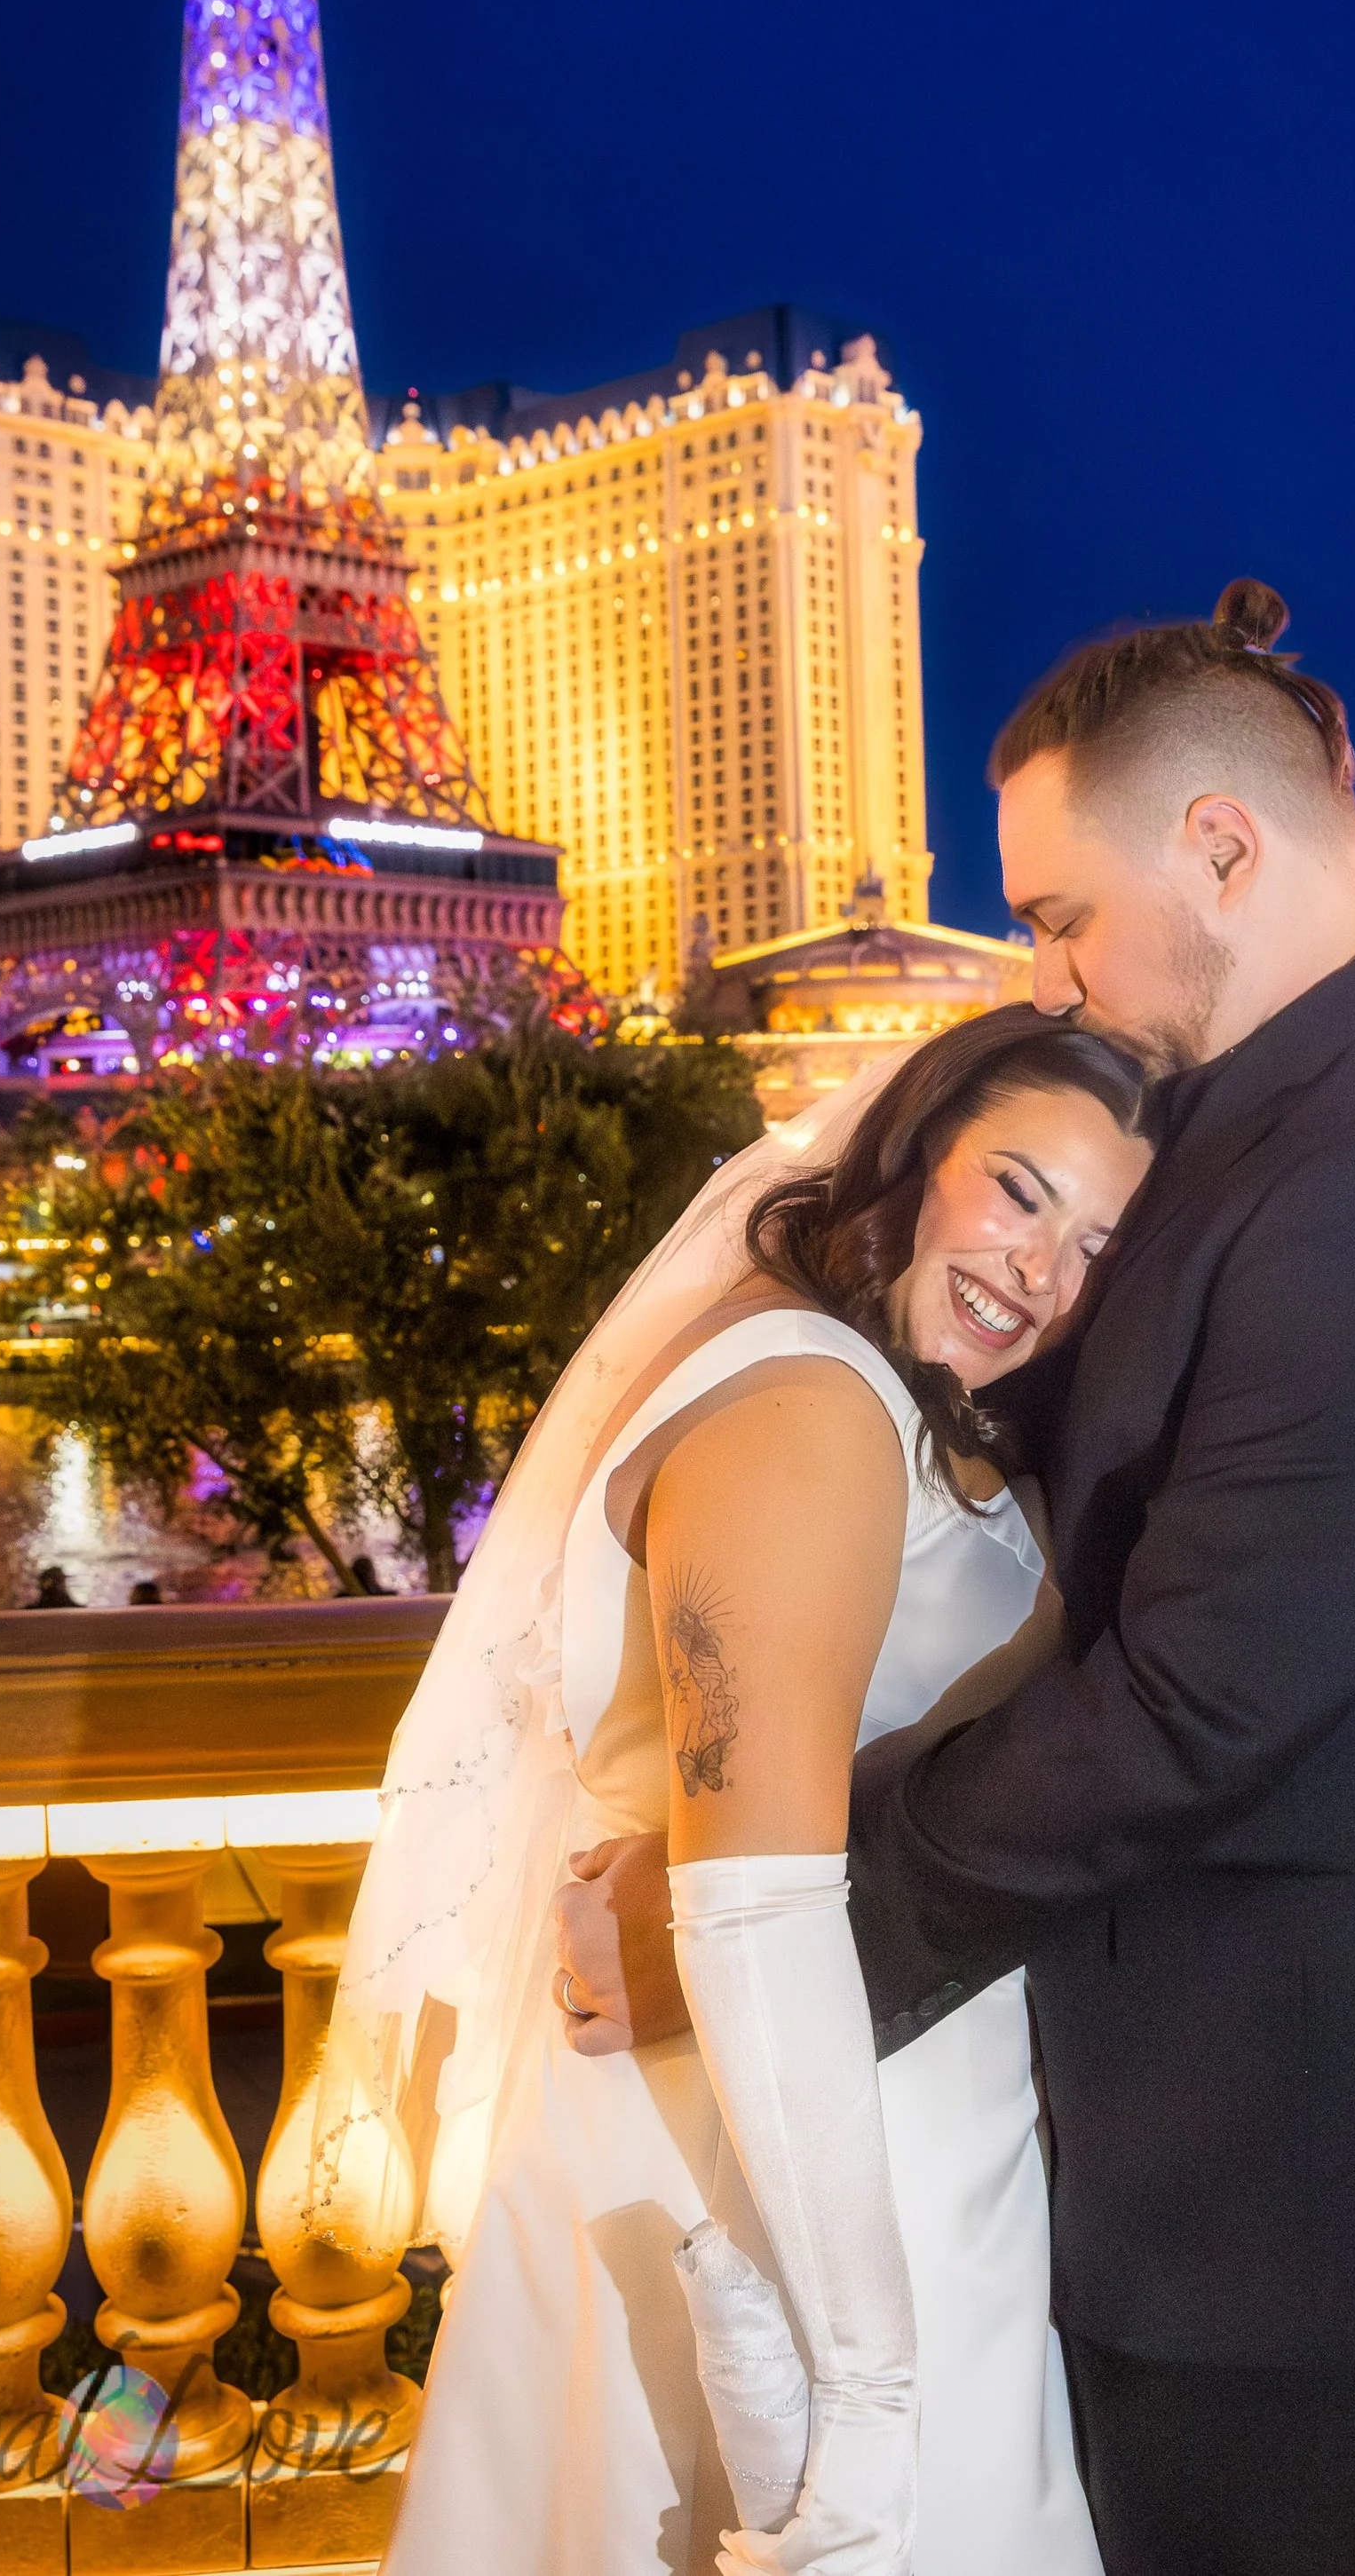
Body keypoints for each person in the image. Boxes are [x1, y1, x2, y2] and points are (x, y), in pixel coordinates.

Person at [562, 578, 1355, 2576]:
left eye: (1062, 910)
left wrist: (783, 1907)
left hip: (1301, 2181)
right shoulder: (1277, 1124)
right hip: (1202, 2146)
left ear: (1221, 846)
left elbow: (1201, 1701)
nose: (1048, 971)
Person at [341, 1007, 1152, 2575]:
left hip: (914, 2149)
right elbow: (753, 1911)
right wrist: (863, 2398)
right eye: (1019, 1189)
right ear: (915, 1161)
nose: (1042, 1269)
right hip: (780, 2178)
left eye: (1101, 1243)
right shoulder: (805, 1410)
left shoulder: (921, 1413)